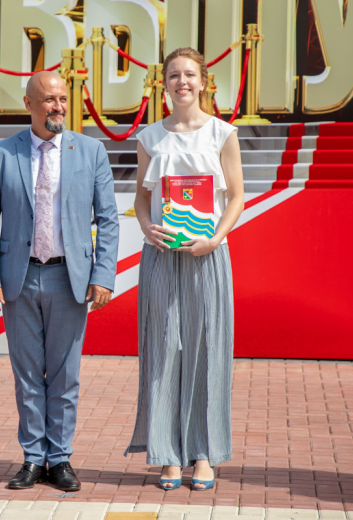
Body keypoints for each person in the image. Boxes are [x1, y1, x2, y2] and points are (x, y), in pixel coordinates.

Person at [0, 71, 119, 491]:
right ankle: (33, 458)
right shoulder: (2, 153)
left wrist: (103, 274)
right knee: (27, 375)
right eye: (49, 100)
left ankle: (60, 459)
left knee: (64, 375)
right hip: (18, 279)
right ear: (29, 104)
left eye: (62, 99)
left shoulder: (90, 151)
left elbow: (108, 219)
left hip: (68, 277)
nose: (58, 107)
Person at [124, 47, 244, 491]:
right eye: (174, 75)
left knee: (206, 351)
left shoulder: (222, 134)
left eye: (189, 74)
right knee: (163, 352)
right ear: (164, 84)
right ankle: (167, 455)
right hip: (161, 257)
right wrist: (145, 227)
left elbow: (236, 197)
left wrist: (215, 238)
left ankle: (203, 454)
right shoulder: (150, 137)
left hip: (208, 256)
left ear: (204, 81)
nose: (182, 82)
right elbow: (141, 197)